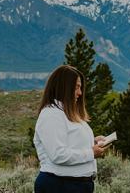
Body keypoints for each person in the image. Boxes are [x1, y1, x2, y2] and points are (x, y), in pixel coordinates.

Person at [33, 64, 107, 193]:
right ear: (64, 88)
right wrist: (91, 152)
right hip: (59, 185)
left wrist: (93, 142)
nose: (80, 92)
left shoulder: (65, 112)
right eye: (77, 87)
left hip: (73, 185)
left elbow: (70, 142)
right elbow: (58, 154)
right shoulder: (52, 115)